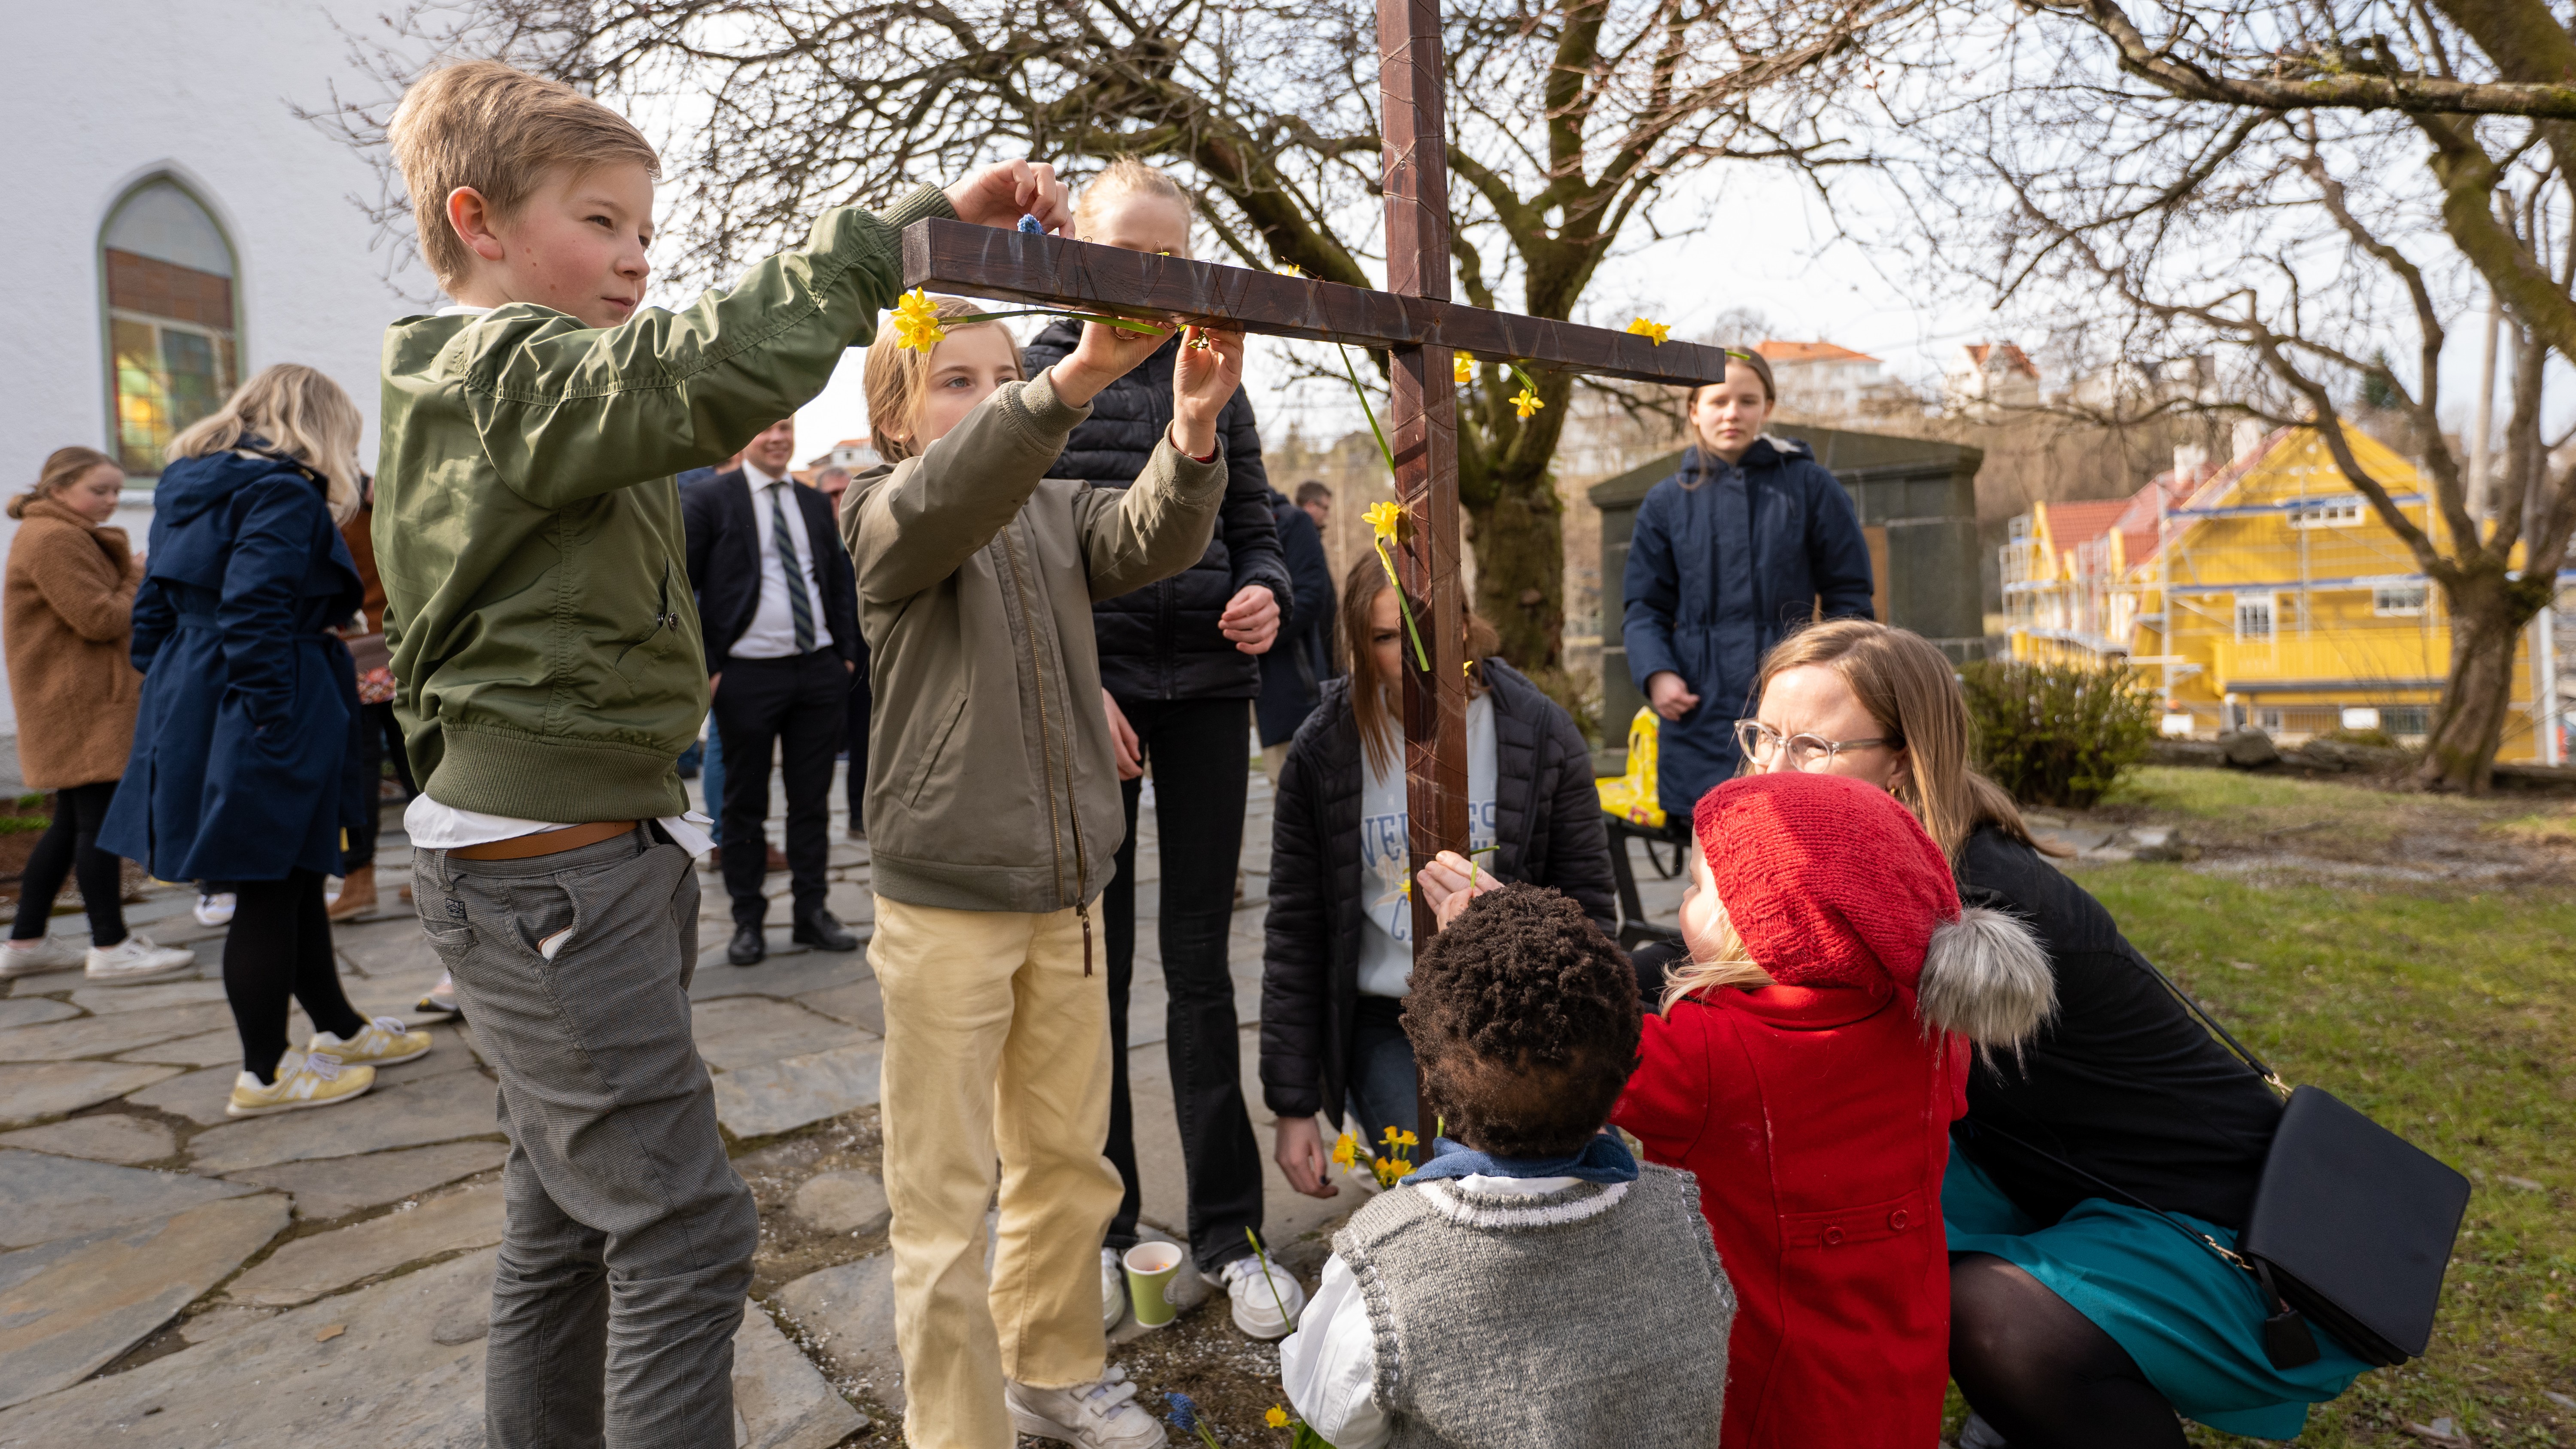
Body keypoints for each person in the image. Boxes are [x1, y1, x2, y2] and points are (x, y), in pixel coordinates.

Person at [371, 58, 1072, 1447]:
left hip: (575, 854)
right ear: (479, 222)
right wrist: (910, 230)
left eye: (645, 228)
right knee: (686, 1230)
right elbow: (696, 367)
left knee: (564, 1214)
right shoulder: (509, 372)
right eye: (600, 222)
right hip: (553, 874)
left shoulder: (526, 394)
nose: (638, 258)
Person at [1719, 620, 2374, 1448]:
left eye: (1812, 746)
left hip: (2233, 1239)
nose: (1772, 770)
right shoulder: (1903, 859)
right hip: (2075, 1183)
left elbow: (1772, 1019)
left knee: (1993, 1320)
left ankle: (2053, 1373)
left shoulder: (1966, 898)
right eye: (1763, 736)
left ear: (1902, 761)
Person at [841, 292, 1237, 1449]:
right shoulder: (881, 508)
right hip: (945, 907)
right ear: (897, 419)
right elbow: (947, 500)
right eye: (955, 381)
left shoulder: (1053, 508)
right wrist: (1063, 387)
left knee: (1069, 1163)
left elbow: (1157, 536)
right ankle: (957, 1428)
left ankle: (1052, 1374)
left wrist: (1193, 427)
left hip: (1069, 895)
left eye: (1002, 374)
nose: (989, 397)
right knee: (942, 1195)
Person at [1019, 158, 1294, 1340]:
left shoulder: (1215, 372)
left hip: (1208, 698)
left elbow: (1257, 525)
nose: (1152, 273)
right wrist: (1076, 682)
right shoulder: (1042, 372)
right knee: (1096, 970)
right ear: (1081, 252)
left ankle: (1233, 1232)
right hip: (1101, 705)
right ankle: (1112, 1224)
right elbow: (1019, 558)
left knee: (1200, 967)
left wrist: (1269, 591)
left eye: (1171, 255)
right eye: (1129, 251)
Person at [1615, 769, 2054, 1449]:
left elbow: (1576, 1053)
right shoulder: (1931, 1029)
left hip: (1765, 1395)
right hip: (1898, 1373)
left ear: (1766, 925)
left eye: (1699, 886)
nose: (1682, 900)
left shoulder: (1708, 1057)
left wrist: (1514, 938)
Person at [1280, 883, 1735, 1449]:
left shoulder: (1386, 1254)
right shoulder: (1685, 1217)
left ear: (1428, 1074)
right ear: (1625, 1070)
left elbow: (1331, 1410)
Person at [100, 366, 433, 1115]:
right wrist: (273, 718)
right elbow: (255, 609)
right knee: (266, 881)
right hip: (265, 693)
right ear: (322, 426)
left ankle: (339, 1028)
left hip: (201, 687)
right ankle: (265, 1072)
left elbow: (152, 606)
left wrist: (177, 682)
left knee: (294, 873)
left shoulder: (189, 483)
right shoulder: (282, 490)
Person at [1262, 561, 1616, 1188]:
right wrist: (1293, 1106)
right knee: (1442, 1181)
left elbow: (1588, 905)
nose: (1415, 658)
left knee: (1544, 1176)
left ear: (1466, 625)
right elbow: (1296, 929)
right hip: (1388, 1016)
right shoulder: (1325, 748)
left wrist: (1588, 1067)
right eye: (1386, 637)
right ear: (1359, 645)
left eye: (1430, 633)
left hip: (1512, 1008)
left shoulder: (1538, 731)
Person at [1621, 347, 1875, 820]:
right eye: (1718, 401)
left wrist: (1837, 677)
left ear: (1768, 407)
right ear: (1694, 410)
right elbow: (1644, 608)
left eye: (1747, 401)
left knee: (1799, 828)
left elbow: (1850, 596)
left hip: (1795, 701)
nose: (1732, 413)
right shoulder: (1665, 502)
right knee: (1708, 834)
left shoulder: (1811, 487)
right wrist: (1658, 673)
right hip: (1699, 705)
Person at [0, 447, 195, 983]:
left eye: (116, 490)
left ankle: (25, 942)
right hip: (80, 705)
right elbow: (100, 619)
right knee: (99, 825)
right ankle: (110, 945)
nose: (111, 500)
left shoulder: (58, 533)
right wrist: (136, 576)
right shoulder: (54, 538)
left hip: (76, 700)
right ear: (58, 489)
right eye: (99, 490)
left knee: (70, 824)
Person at [683, 416, 862, 965]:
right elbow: (683, 587)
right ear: (743, 437)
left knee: (812, 802)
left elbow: (836, 579)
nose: (777, 437)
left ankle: (812, 912)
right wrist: (711, 668)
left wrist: (845, 655)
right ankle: (748, 920)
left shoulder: (811, 501)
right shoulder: (711, 500)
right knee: (744, 804)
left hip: (817, 670)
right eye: (764, 428)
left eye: (785, 426)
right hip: (746, 676)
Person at [328, 471, 415, 924]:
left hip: (354, 655)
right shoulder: (385, 492)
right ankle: (433, 871)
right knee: (415, 760)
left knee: (358, 768)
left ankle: (358, 880)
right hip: (400, 647)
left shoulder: (333, 508)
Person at [1253, 481, 1337, 787]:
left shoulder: (1293, 523)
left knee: (1302, 785)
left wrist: (1257, 632)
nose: (1327, 515)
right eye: (1325, 507)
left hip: (1294, 685)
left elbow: (1315, 600)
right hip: (1245, 686)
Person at [811, 464, 871, 838]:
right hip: (824, 653)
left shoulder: (867, 533)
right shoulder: (811, 536)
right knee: (820, 744)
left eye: (846, 492)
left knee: (865, 736)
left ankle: (858, 816)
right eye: (832, 494)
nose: (841, 500)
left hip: (864, 651)